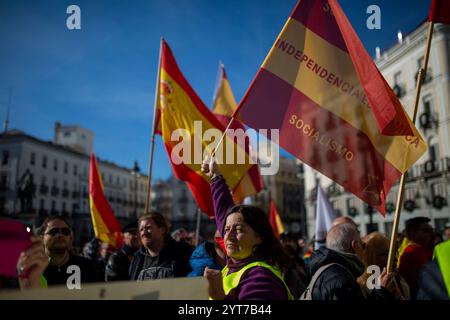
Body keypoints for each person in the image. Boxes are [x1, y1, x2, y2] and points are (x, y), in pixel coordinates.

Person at [201, 156, 293, 300]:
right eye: (226, 230)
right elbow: (224, 211)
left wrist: (220, 298)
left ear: (259, 237)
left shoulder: (261, 279)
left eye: (238, 230)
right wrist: (215, 177)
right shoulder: (232, 268)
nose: (228, 236)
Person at [304, 222, 393, 300]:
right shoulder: (339, 279)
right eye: (363, 245)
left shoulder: (332, 272)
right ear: (354, 245)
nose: (364, 250)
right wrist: (382, 292)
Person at [37, 216, 102, 285]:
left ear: (70, 239)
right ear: (42, 238)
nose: (60, 235)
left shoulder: (87, 267)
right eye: (54, 231)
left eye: (65, 231)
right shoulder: (34, 269)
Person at [129, 212, 193, 280]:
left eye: (148, 228)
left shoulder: (182, 251)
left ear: (162, 230)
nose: (144, 232)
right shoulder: (137, 258)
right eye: (141, 229)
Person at [357, 232, 410, 300]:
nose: (394, 258)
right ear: (369, 258)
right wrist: (383, 293)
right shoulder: (358, 287)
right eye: (385, 255)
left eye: (395, 253)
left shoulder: (400, 283)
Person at [397, 217, 434, 297]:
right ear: (412, 234)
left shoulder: (426, 249)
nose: (430, 234)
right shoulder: (410, 253)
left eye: (431, 230)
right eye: (425, 231)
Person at [279, 231, 307, 298]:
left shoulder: (300, 261)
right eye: (284, 241)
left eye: (289, 240)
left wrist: (303, 274)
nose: (287, 243)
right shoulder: (276, 261)